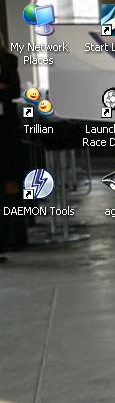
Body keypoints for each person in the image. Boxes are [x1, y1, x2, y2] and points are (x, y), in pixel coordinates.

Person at [0, 31, 28, 262]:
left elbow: (14, 91)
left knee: (11, 181)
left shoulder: (9, 60)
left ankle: (14, 237)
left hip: (6, 129)